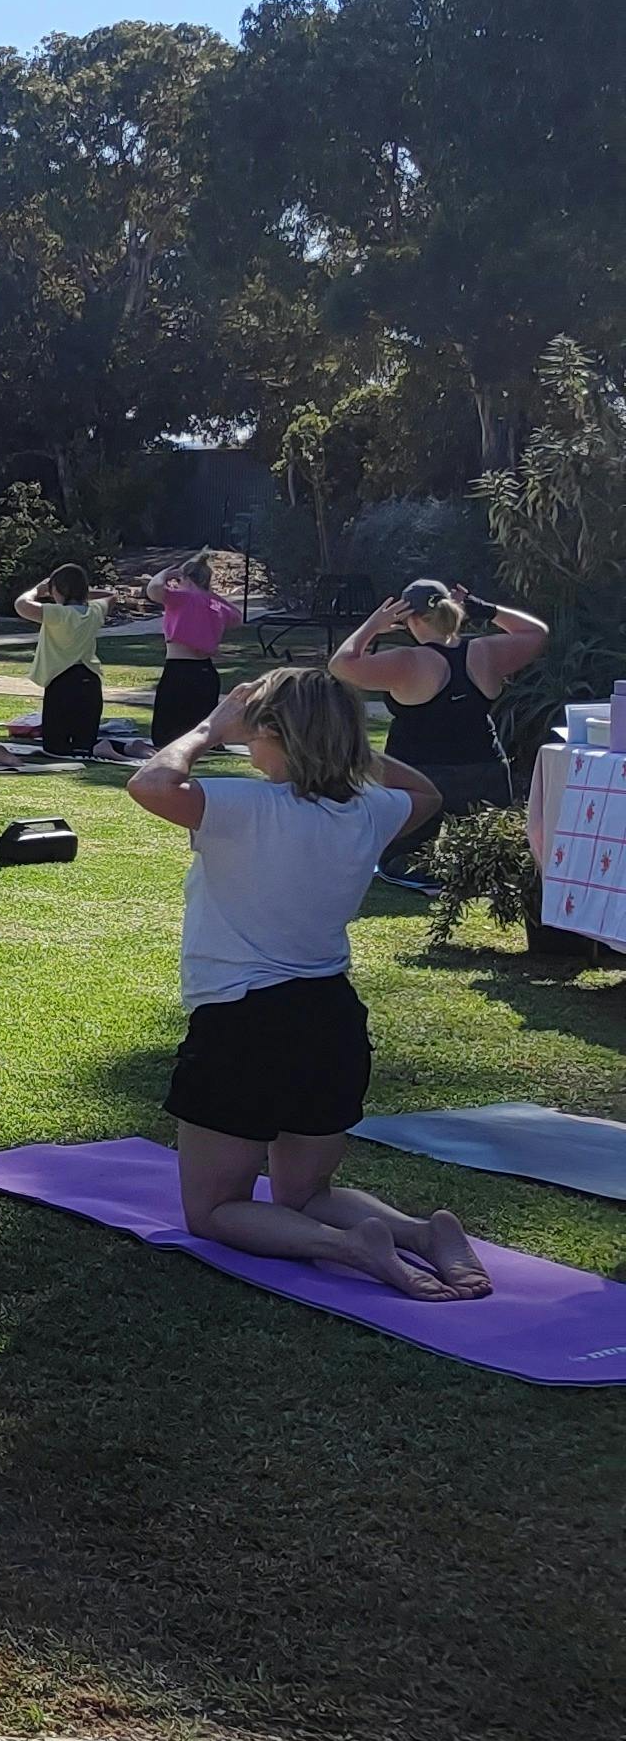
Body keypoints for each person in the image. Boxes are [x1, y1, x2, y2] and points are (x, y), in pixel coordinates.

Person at [126, 664, 486, 1301]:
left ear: (274, 734)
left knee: (213, 1210)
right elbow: (425, 793)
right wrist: (345, 745)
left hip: (244, 1024)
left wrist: (209, 727)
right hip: (333, 1020)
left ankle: (349, 1246)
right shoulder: (371, 810)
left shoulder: (240, 805)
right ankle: (421, 1234)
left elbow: (152, 781)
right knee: (307, 1193)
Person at [329, 580, 547, 867]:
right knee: (490, 858)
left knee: (403, 860)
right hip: (484, 773)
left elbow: (340, 665)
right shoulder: (486, 652)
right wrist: (487, 610)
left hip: (420, 780)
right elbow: (536, 632)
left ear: (412, 619)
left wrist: (372, 625)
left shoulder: (407, 661)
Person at [17, 562, 113, 758]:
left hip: (62, 681)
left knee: (55, 747)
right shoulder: (94, 611)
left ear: (58, 589)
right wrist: (82, 592)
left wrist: (37, 590)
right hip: (90, 680)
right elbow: (111, 596)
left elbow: (21, 604)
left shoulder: (57, 613)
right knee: (85, 745)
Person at [149, 556, 244, 751]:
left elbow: (153, 589)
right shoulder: (212, 603)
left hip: (179, 670)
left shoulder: (180, 598)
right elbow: (236, 617)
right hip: (206, 671)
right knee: (202, 731)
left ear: (185, 578)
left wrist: (167, 572)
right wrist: (208, 594)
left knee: (165, 734)